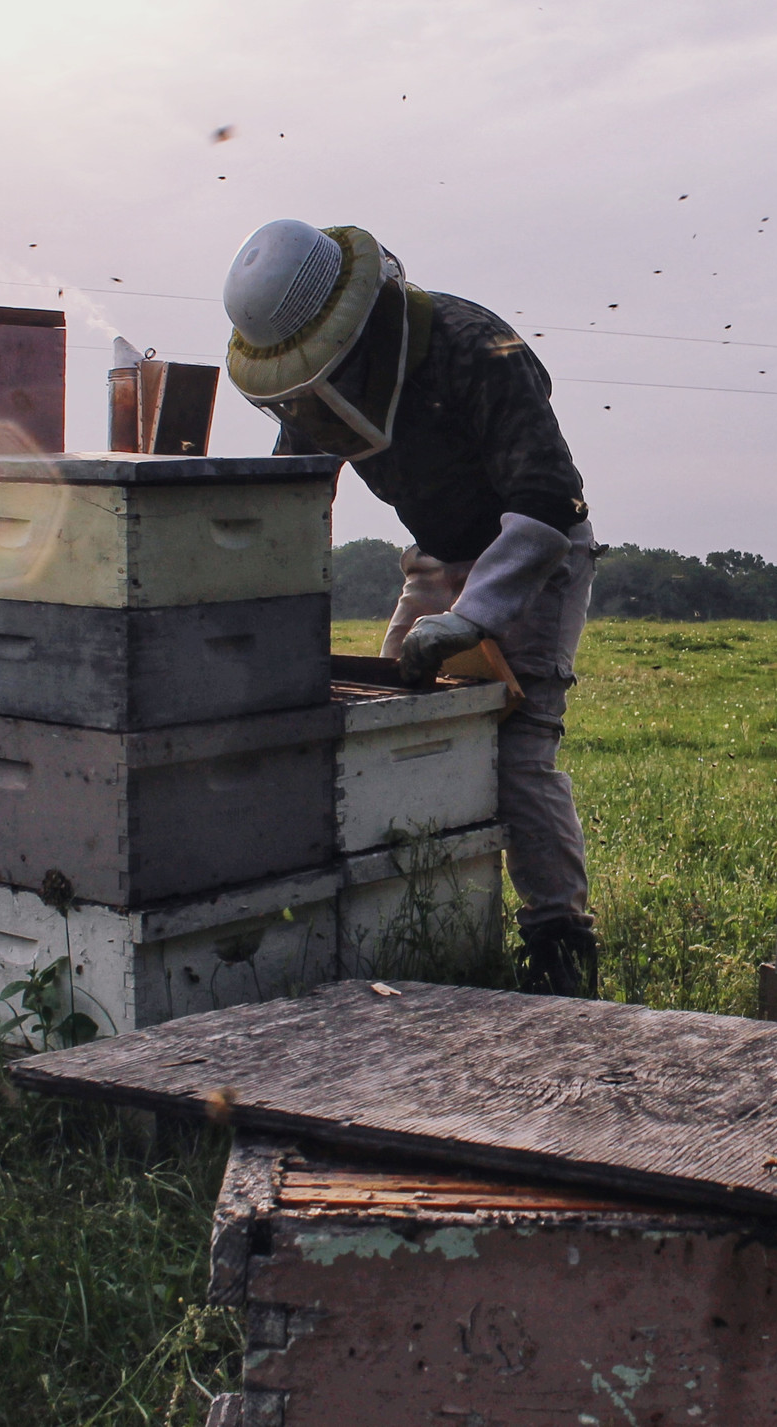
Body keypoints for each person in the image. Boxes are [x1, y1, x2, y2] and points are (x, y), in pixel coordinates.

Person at [221, 219, 600, 997]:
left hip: (532, 553)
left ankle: (560, 944)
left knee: (516, 754)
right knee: (389, 729)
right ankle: (405, 924)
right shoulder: (320, 380)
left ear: (365, 331)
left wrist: (476, 616)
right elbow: (288, 500)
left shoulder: (475, 347)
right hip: (435, 556)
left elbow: (550, 499)